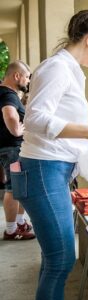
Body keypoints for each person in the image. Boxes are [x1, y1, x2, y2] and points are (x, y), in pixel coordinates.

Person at [13, 1, 88, 300]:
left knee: (53, 259)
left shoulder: (69, 70)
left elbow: (58, 122)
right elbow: (36, 117)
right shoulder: (57, 68)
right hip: (44, 170)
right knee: (61, 259)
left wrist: (87, 142)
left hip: (51, 171)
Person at [0, 60, 35, 240]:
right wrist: (16, 130)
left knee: (20, 187)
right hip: (12, 150)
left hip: (11, 149)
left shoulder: (5, 92)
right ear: (17, 76)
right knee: (13, 189)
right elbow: (10, 114)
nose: (28, 81)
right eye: (27, 77)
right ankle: (11, 230)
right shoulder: (9, 94)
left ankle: (20, 223)